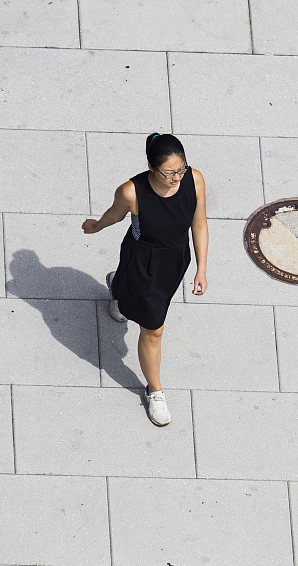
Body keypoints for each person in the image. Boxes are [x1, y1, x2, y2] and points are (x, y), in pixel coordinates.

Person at [82, 133, 208, 426]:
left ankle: (118, 288)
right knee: (153, 329)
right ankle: (155, 390)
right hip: (143, 262)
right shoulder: (132, 191)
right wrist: (96, 226)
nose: (177, 178)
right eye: (169, 173)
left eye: (181, 169)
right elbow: (114, 215)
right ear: (151, 167)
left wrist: (201, 269)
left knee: (137, 300)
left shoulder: (195, 180)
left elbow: (199, 224)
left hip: (176, 259)